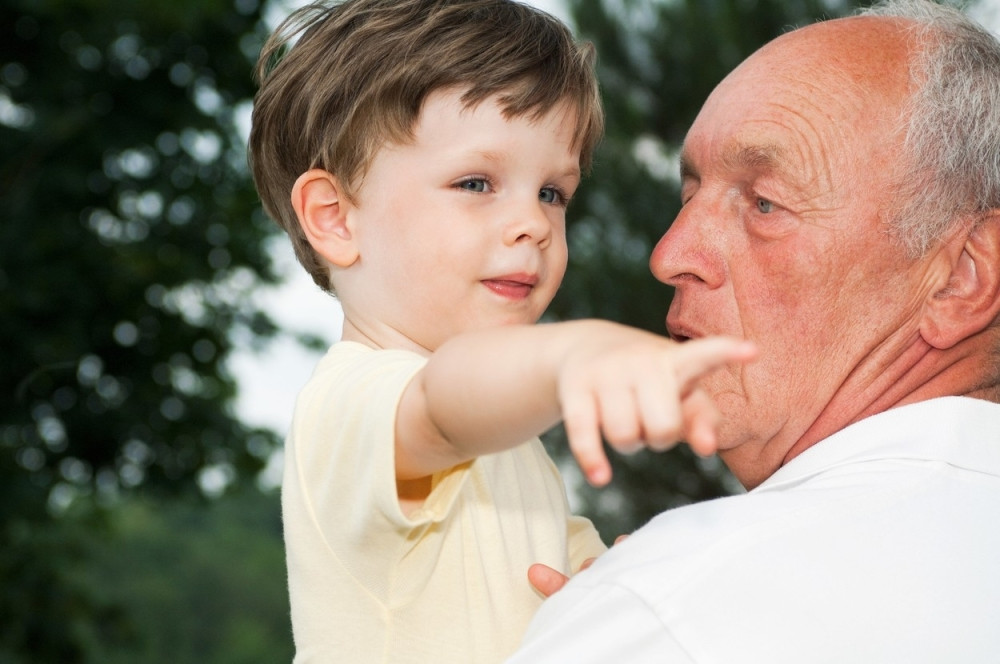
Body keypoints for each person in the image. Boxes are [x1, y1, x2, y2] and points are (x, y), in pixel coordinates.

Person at [247, 1, 755, 662]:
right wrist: (571, 354)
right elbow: (441, 404)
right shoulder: (349, 405)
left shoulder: (513, 454)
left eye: (552, 193)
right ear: (335, 218)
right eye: (476, 182)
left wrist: (618, 582)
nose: (534, 224)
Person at [508, 0, 1000, 661]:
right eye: (688, 198)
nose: (670, 254)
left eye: (764, 204)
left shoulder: (681, 608)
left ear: (962, 277)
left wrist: (632, 614)